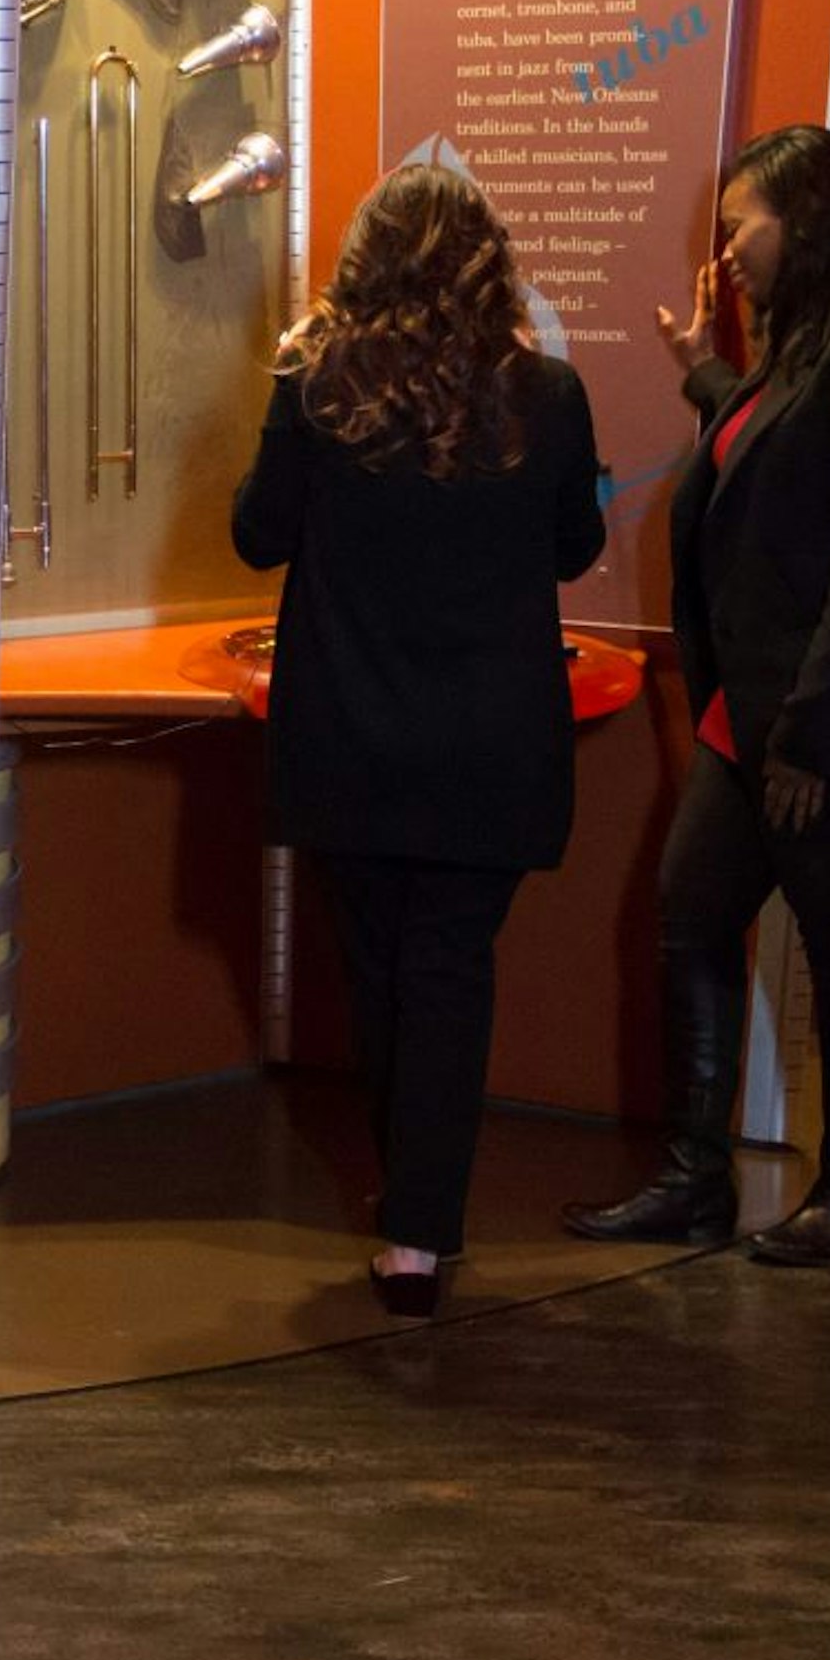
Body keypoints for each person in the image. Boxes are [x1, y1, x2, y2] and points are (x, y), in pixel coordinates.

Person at [564, 124, 830, 1265]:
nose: (727, 245)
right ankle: (697, 1179)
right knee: (693, 914)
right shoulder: (802, 345)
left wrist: (807, 735)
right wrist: (707, 369)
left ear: (808, 221)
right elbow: (777, 466)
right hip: (752, 714)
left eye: (742, 220)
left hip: (827, 723)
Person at [229, 166, 605, 1316]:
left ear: (362, 264)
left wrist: (297, 399)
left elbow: (257, 536)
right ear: (488, 265)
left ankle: (411, 1211)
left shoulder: (317, 384)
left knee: (379, 968)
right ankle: (418, 1227)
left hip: (352, 731)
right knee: (448, 970)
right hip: (488, 742)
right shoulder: (547, 391)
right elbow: (574, 548)